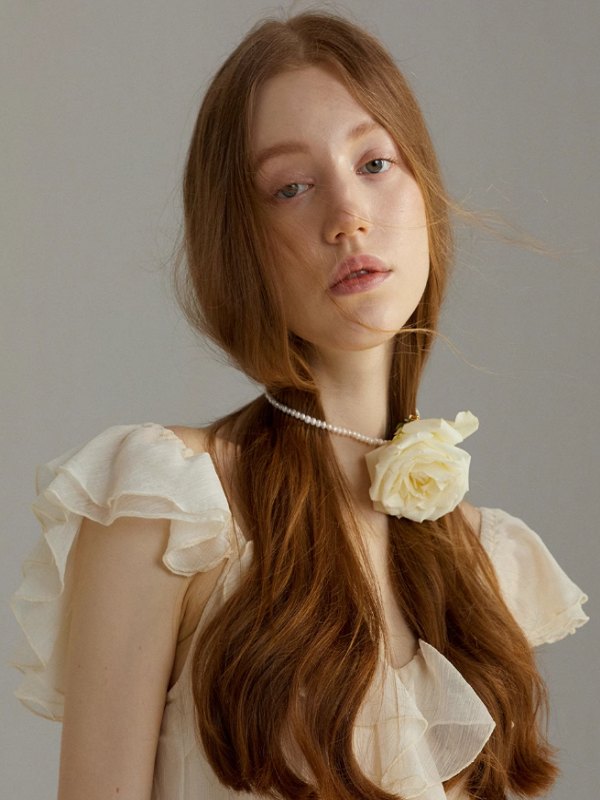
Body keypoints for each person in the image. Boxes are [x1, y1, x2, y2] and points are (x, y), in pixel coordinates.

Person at [9, 10, 589, 800]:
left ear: (425, 187)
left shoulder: (486, 563)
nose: (347, 214)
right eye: (291, 186)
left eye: (376, 162)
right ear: (237, 240)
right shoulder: (169, 502)